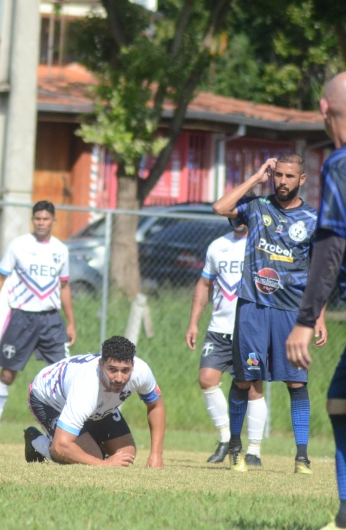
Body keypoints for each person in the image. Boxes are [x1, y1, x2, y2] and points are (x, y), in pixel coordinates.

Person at [213, 153, 327, 473]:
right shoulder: (257, 205)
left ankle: (302, 456)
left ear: (301, 180)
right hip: (253, 307)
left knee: (296, 383)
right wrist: (256, 176)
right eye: (278, 175)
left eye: (289, 176)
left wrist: (317, 316)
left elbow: (321, 272)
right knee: (245, 379)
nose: (282, 181)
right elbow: (220, 208)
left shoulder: (312, 220)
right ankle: (236, 448)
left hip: (292, 313)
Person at [286, 71, 346, 530]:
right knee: (341, 399)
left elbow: (330, 244)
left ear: (323, 110)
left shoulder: (340, 164)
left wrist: (306, 318)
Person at [0, 201, 76, 447]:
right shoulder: (18, 245)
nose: (41, 223)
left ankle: (68, 434)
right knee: (7, 374)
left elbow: (64, 286)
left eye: (45, 219)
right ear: (33, 220)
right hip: (22, 318)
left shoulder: (61, 250)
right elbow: (0, 278)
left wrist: (71, 322)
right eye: (37, 219)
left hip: (51, 320)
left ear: (54, 221)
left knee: (66, 375)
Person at [185, 222, 268, 465]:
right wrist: (193, 323)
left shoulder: (261, 246)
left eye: (244, 211)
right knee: (207, 379)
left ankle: (254, 450)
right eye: (235, 212)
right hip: (218, 330)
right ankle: (226, 439)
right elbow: (204, 284)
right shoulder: (217, 246)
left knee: (252, 388)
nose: (239, 217)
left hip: (250, 330)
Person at [23, 336, 165, 467]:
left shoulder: (141, 371)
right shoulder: (86, 388)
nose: (119, 378)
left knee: (126, 454)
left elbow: (156, 406)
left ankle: (94, 448)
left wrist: (156, 455)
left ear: (132, 366)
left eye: (125, 370)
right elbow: (61, 445)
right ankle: (35, 441)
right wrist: (103, 464)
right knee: (90, 457)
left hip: (97, 405)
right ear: (100, 364)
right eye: (112, 369)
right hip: (50, 400)